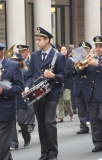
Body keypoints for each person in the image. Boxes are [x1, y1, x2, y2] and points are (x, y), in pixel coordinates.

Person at [25, 27, 66, 160]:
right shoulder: (35, 55)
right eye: (36, 40)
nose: (37, 42)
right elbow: (30, 74)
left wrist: (53, 75)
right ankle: (44, 153)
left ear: (47, 40)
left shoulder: (58, 56)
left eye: (39, 40)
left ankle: (53, 153)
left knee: (49, 123)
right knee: (42, 124)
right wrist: (27, 86)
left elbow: (63, 76)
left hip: (51, 94)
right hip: (36, 94)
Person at [77, 36, 102, 152]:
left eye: (101, 46)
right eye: (96, 46)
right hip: (91, 93)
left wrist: (97, 65)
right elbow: (80, 73)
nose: (98, 48)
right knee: (94, 120)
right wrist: (83, 63)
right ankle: (98, 144)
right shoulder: (91, 59)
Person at [9, 53, 31, 151]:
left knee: (21, 121)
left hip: (21, 99)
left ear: (20, 62)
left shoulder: (25, 72)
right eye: (12, 61)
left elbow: (28, 82)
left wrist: (26, 88)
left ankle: (27, 138)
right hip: (11, 98)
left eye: (16, 61)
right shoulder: (8, 71)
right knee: (11, 122)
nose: (14, 62)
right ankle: (14, 143)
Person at [74, 41, 92, 134]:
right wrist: (75, 66)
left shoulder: (92, 60)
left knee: (90, 108)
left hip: (88, 87)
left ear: (89, 50)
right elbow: (73, 73)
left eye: (85, 49)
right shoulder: (77, 60)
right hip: (79, 87)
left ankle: (94, 126)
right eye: (82, 49)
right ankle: (83, 127)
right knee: (80, 109)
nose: (84, 51)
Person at [17, 44, 35, 133]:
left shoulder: (31, 60)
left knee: (30, 106)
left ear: (27, 52)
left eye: (23, 52)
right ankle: (24, 123)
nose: (21, 54)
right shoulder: (19, 61)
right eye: (20, 52)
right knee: (22, 107)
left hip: (30, 85)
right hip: (21, 87)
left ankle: (31, 124)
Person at [57, 45, 75, 123]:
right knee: (60, 100)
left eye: (65, 50)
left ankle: (71, 114)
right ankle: (61, 116)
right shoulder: (57, 61)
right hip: (59, 82)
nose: (64, 51)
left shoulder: (69, 60)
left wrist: (62, 73)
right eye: (62, 50)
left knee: (66, 99)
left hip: (67, 83)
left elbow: (71, 71)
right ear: (59, 51)